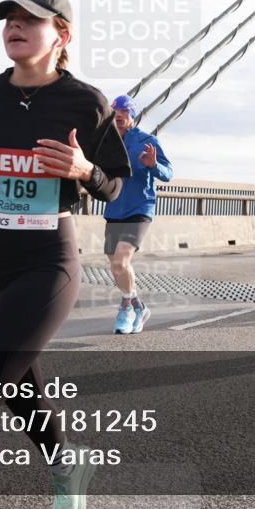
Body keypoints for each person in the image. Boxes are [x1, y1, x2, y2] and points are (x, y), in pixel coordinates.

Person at [0, 0, 131, 509]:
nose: (15, 27)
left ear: (61, 35)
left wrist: (85, 170)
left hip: (46, 261)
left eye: (30, 20)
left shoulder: (85, 103)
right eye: (9, 20)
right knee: (18, 386)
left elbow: (116, 185)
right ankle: (68, 461)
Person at [103, 94, 173, 335]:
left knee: (122, 260)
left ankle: (125, 308)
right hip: (113, 207)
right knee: (116, 267)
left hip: (140, 208)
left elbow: (168, 173)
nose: (119, 115)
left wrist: (153, 165)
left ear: (132, 115)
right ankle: (138, 306)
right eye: (115, 112)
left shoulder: (147, 140)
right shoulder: (106, 140)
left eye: (124, 112)